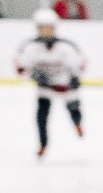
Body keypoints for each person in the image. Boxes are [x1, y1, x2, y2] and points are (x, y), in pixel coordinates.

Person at [13, 9, 87, 158]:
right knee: (41, 115)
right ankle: (43, 145)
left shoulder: (66, 47)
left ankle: (77, 123)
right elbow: (21, 68)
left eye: (49, 27)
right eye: (42, 27)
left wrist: (74, 78)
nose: (46, 31)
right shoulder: (30, 48)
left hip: (65, 85)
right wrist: (33, 75)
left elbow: (80, 64)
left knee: (74, 110)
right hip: (46, 87)